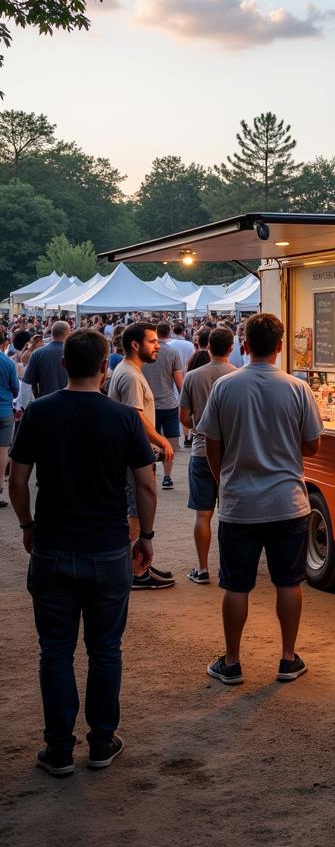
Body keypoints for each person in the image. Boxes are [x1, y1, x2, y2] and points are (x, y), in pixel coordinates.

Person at [9, 329, 157, 776]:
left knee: (54, 651)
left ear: (63, 365)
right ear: (105, 366)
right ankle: (100, 741)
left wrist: (28, 525)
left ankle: (58, 749)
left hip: (53, 545)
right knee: (105, 649)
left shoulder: (38, 412)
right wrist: (146, 535)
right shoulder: (123, 418)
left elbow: (17, 480)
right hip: (108, 548)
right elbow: (147, 483)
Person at [196, 313, 322, 685]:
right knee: (289, 582)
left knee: (236, 585)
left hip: (240, 503)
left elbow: (211, 445)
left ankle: (232, 662)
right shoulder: (298, 389)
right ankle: (287, 658)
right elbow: (313, 445)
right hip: (288, 502)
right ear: (281, 347)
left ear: (245, 346)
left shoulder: (225, 387)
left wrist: (225, 481)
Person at [108, 322, 175, 590]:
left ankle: (139, 564)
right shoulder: (132, 376)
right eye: (152, 341)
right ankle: (136, 571)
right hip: (133, 455)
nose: (158, 345)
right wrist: (162, 441)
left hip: (133, 453)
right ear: (135, 345)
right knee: (135, 512)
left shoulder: (130, 371)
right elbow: (134, 416)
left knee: (135, 510)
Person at [178, 327, 235, 584]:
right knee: (229, 514)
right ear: (231, 348)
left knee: (203, 514)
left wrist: (199, 422)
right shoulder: (238, 375)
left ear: (207, 347)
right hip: (232, 453)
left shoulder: (192, 376)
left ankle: (202, 569)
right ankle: (229, 568)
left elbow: (184, 418)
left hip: (201, 452)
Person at [142, 321, 183, 490]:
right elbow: (179, 381)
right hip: (169, 403)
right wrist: (183, 400)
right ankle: (167, 477)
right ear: (170, 333)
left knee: (148, 441)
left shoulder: (145, 353)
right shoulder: (172, 353)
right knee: (171, 441)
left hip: (148, 404)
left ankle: (151, 472)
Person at [22, 319, 70, 398]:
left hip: (44, 402)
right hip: (70, 404)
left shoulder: (38, 353)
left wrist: (24, 407)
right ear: (68, 334)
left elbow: (27, 385)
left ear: (52, 334)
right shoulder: (75, 353)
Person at [0, 335, 20, 507]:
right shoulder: (7, 363)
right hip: (4, 410)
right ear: (4, 344)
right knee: (3, 450)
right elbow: (15, 389)